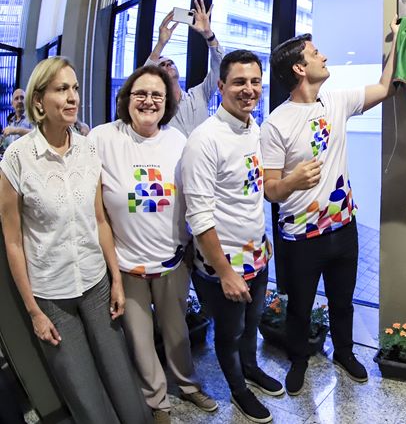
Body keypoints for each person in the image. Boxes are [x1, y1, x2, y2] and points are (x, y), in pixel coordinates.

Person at [0, 57, 150, 423]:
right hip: (52, 295)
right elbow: (14, 241)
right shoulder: (17, 158)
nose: (73, 98)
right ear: (39, 101)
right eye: (61, 89)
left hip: (97, 283)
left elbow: (100, 219)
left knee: (123, 381)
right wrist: (34, 311)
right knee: (84, 395)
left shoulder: (88, 149)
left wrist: (116, 278)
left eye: (75, 88)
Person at [261, 19, 398, 395]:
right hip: (301, 236)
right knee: (300, 309)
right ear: (299, 68)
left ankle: (345, 353)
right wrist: (292, 181)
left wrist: (397, 39)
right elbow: (270, 189)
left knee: (343, 302)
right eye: (315, 53)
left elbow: (385, 88)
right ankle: (299, 361)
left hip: (343, 228)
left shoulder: (336, 102)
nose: (324, 56)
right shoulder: (275, 124)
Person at [89, 65, 218, 423]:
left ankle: (188, 385)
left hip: (173, 261)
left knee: (177, 330)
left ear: (167, 102)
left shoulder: (179, 142)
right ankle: (157, 401)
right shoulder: (103, 138)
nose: (148, 101)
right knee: (140, 338)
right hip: (126, 265)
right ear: (126, 99)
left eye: (156, 95)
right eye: (140, 94)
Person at [182, 49, 278, 423]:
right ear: (221, 85)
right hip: (223, 263)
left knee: (251, 323)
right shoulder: (205, 140)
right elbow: (199, 216)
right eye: (239, 82)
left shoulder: (255, 128)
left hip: (257, 255)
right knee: (229, 330)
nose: (249, 90)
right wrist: (224, 272)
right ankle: (238, 390)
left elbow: (251, 193)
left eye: (255, 82)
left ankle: (251, 368)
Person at [147, 0, 223, 136]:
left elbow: (220, 67)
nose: (168, 65)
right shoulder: (156, 105)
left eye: (171, 63)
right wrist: (160, 44)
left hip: (205, 157)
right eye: (162, 64)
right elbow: (142, 79)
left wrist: (209, 35)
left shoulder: (199, 94)